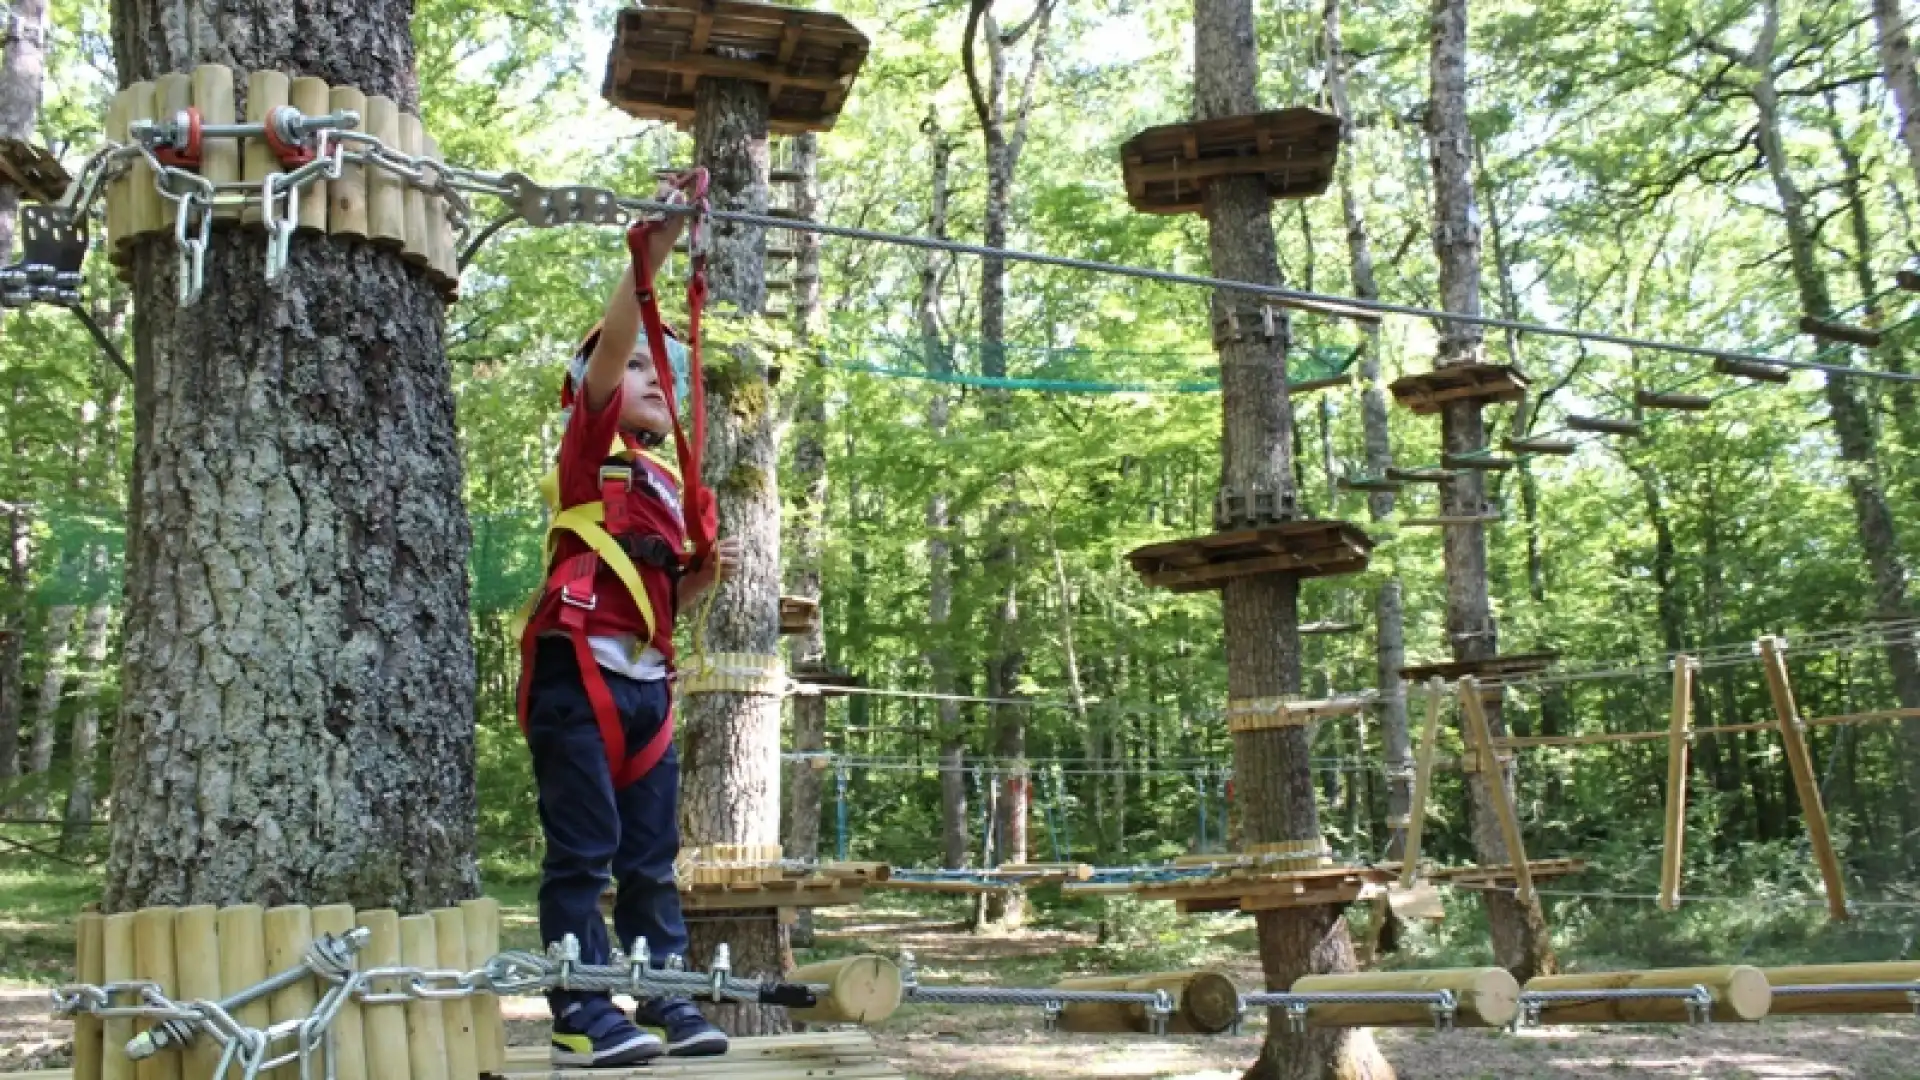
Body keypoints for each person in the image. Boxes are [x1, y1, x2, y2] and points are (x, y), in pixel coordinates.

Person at [516, 190, 738, 1066]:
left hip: (645, 689)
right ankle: (580, 1007)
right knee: (584, 854)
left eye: (665, 372)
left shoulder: (666, 484)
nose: (657, 379)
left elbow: (660, 605)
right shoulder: (589, 451)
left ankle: (666, 999)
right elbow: (613, 352)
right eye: (642, 368)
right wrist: (653, 254)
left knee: (650, 860)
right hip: (581, 683)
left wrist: (697, 580)